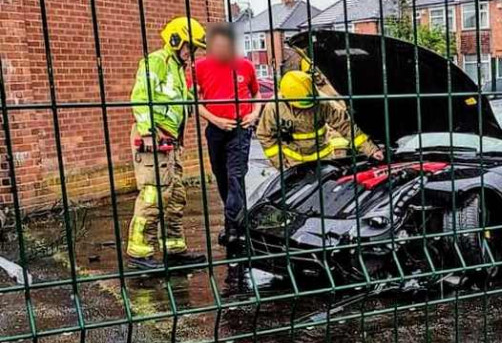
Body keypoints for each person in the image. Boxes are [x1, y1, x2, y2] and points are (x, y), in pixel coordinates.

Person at [126, 16, 207, 270]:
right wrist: (148, 132)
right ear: (175, 40)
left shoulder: (178, 69)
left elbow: (175, 101)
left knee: (175, 196)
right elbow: (141, 97)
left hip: (170, 142)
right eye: (188, 46)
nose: (190, 53)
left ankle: (174, 250)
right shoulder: (156, 62)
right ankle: (139, 252)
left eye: (193, 49)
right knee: (154, 195)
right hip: (155, 139)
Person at [192, 23, 262, 254]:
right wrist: (215, 120)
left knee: (235, 177)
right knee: (221, 177)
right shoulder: (200, 67)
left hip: (241, 129)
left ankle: (234, 228)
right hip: (216, 129)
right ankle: (234, 219)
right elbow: (194, 101)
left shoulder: (245, 65)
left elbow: (257, 94)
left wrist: (254, 114)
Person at [256, 69, 383, 169]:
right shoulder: (274, 107)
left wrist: (371, 150)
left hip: (324, 161)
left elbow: (346, 127)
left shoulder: (324, 102)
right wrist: (282, 165)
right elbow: (265, 135)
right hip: (293, 164)